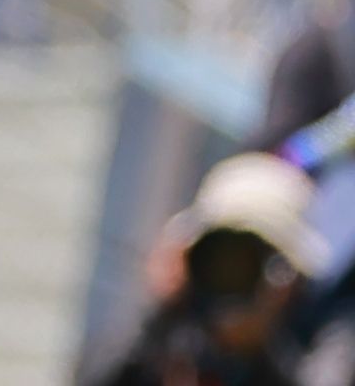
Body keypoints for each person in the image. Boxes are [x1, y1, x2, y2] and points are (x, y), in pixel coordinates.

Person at [81, 153, 328, 386]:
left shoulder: (295, 370)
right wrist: (164, 308)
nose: (231, 273)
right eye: (220, 255)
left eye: (248, 260)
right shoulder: (154, 353)